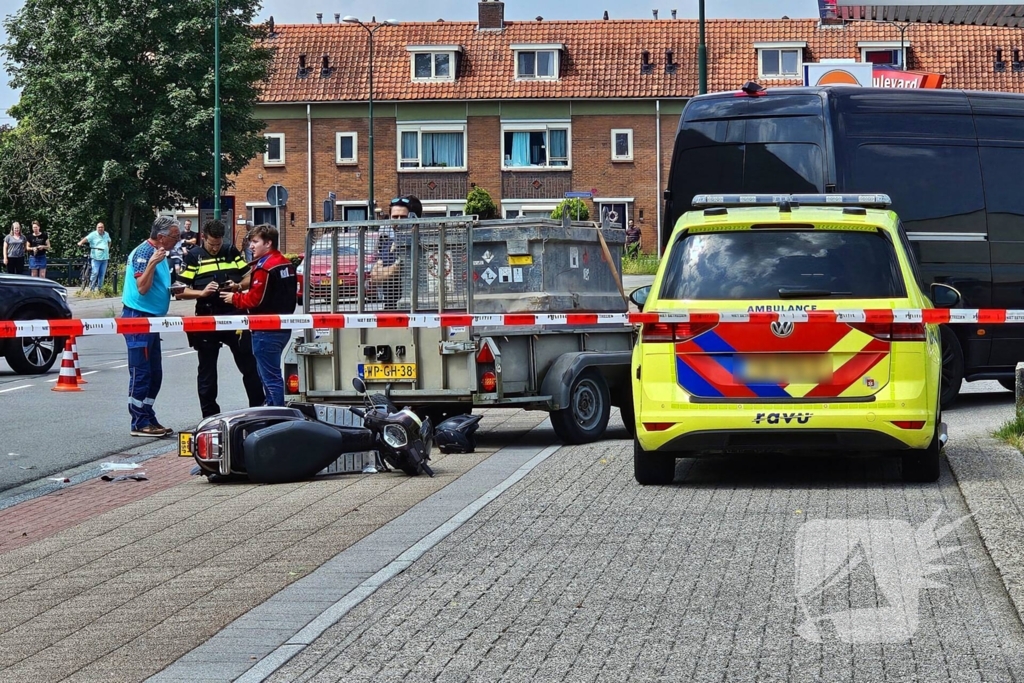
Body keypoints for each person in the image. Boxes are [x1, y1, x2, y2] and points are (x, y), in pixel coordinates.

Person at [176, 219, 265, 418]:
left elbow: (249, 277)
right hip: (207, 316)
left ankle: (258, 410)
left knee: (250, 366)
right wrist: (201, 293)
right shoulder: (193, 257)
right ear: (203, 239)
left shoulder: (230, 251)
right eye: (211, 244)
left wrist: (237, 286)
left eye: (218, 244)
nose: (215, 248)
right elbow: (179, 291)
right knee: (207, 371)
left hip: (235, 314)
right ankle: (209, 416)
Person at [221, 223, 297, 407]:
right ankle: (272, 410)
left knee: (270, 378)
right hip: (282, 327)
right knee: (270, 375)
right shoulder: (284, 262)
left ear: (268, 243)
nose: (251, 246)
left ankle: (276, 417)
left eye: (255, 242)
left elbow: (255, 300)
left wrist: (234, 298)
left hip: (265, 329)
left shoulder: (265, 268)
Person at [121, 216, 180, 437]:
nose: (178, 240)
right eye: (175, 236)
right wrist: (153, 263)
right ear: (162, 237)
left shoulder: (160, 253)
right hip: (138, 317)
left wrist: (172, 289)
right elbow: (142, 287)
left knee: (155, 372)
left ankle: (147, 414)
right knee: (141, 371)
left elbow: (156, 284)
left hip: (152, 319)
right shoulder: (145, 253)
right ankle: (138, 421)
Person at [368, 195, 421, 310]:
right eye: (395, 217)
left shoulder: (421, 242)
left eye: (403, 217)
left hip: (418, 306)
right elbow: (374, 276)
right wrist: (396, 266)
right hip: (392, 308)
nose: (398, 221)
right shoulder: (387, 243)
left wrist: (392, 269)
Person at [77, 222, 112, 291]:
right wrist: (80, 243)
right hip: (96, 257)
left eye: (101, 227)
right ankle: (91, 288)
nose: (100, 229)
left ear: (104, 228)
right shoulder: (93, 234)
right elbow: (86, 238)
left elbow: (109, 241)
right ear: (96, 228)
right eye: (99, 227)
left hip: (105, 257)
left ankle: (100, 289)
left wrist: (108, 248)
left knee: (102, 274)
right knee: (95, 272)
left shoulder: (106, 234)